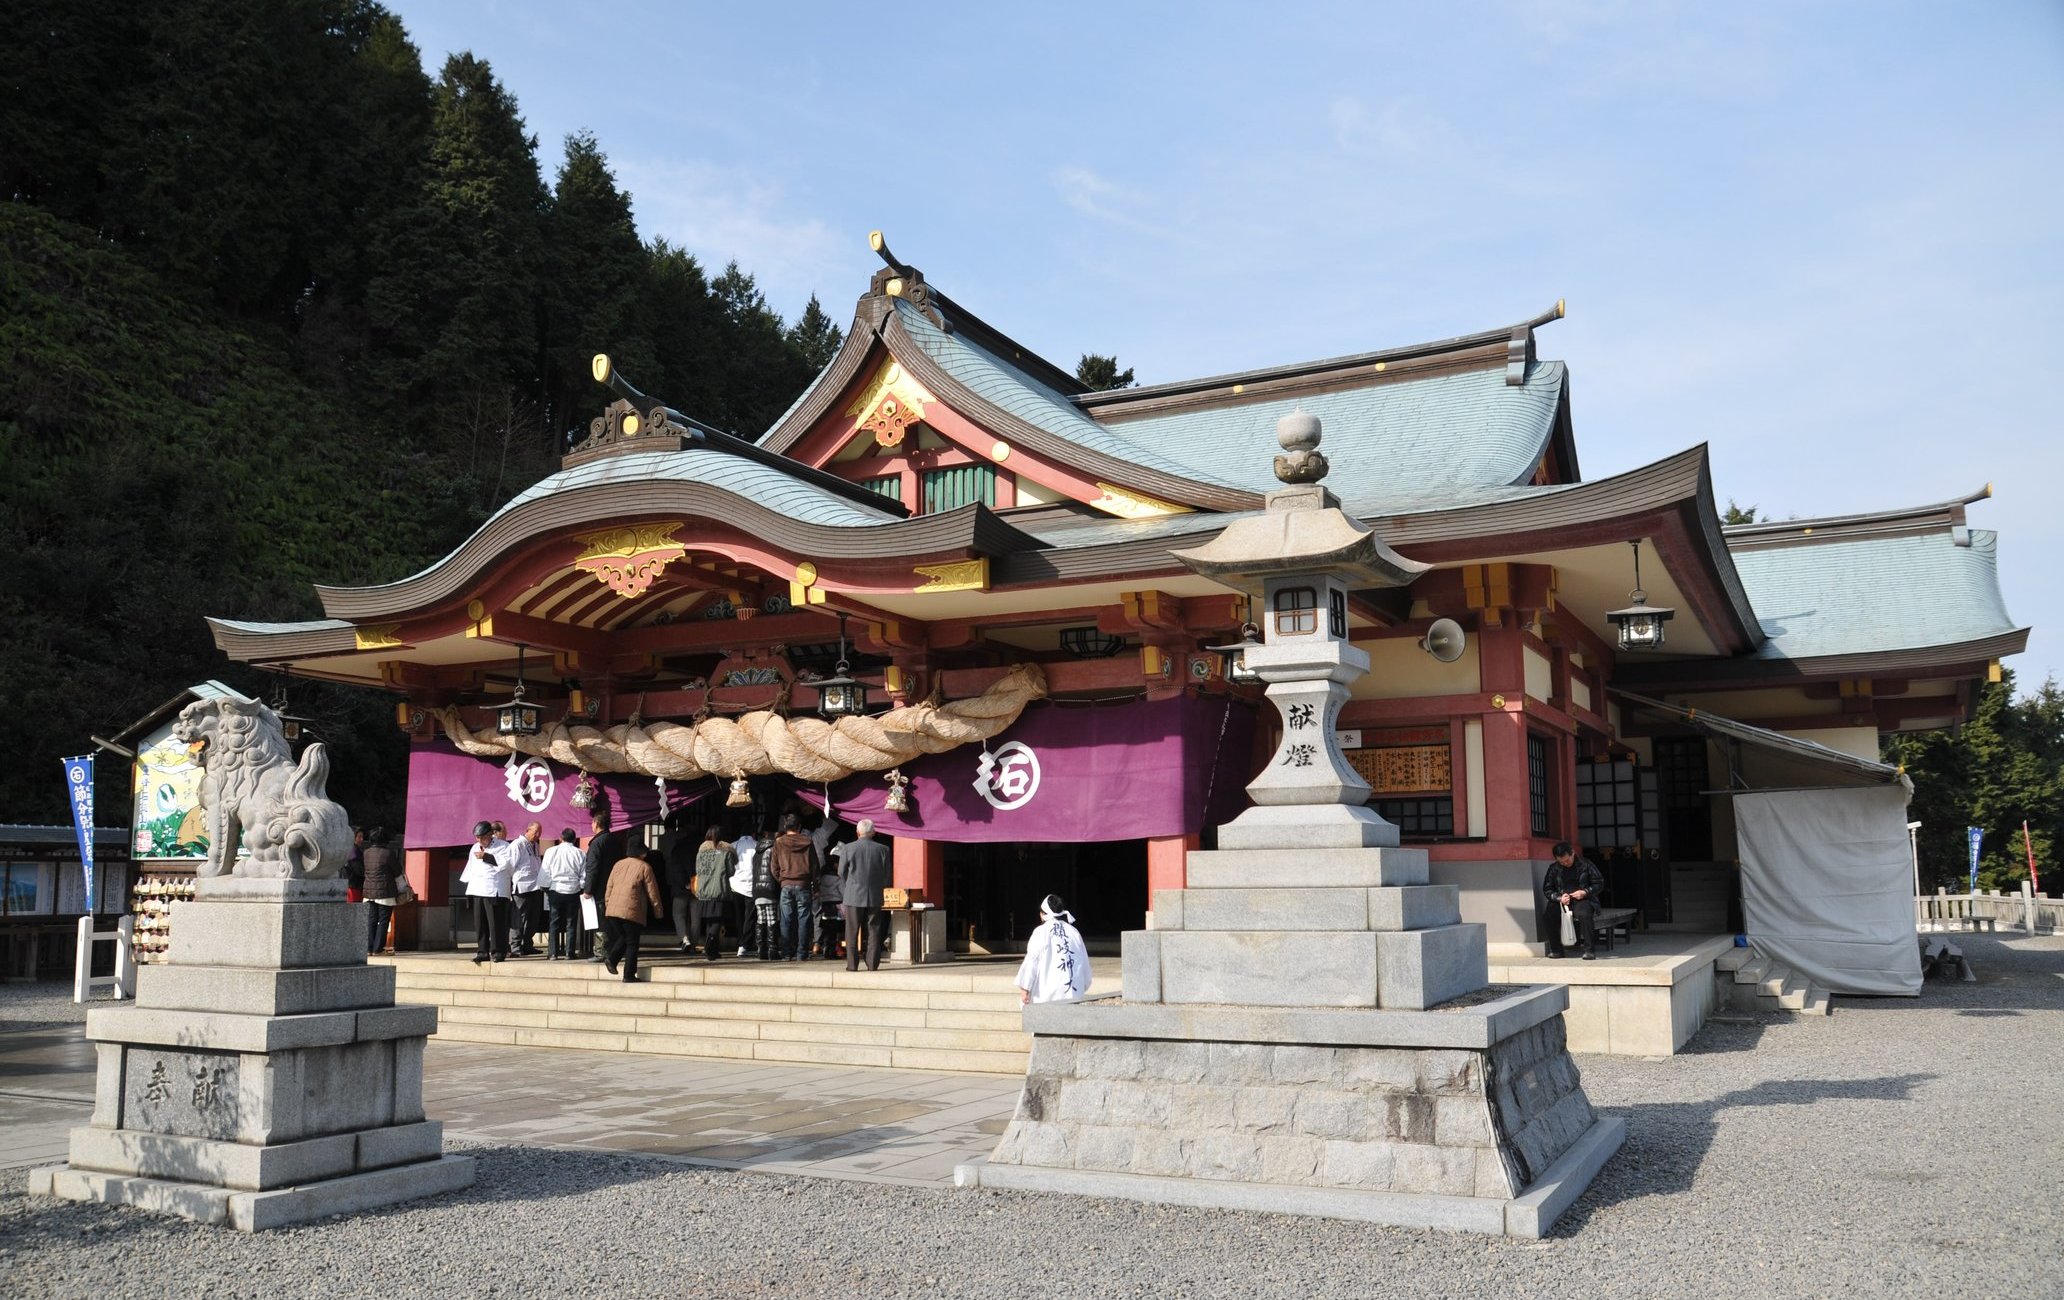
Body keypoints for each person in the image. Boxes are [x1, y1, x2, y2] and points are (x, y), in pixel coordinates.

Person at [768, 813, 835, 961]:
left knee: (786, 920)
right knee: (804, 919)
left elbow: (773, 866)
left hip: (785, 885)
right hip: (803, 885)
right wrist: (816, 887)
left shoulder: (778, 842)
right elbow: (815, 867)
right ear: (799, 827)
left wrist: (782, 879)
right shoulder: (807, 841)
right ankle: (802, 952)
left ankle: (786, 952)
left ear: (786, 827)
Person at [837, 820, 894, 972]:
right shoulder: (883, 849)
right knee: (874, 930)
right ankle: (872, 964)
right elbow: (887, 875)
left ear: (857, 832)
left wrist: (847, 888)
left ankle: (852, 964)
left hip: (853, 895)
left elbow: (841, 872)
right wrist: (880, 887)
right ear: (873, 832)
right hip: (874, 895)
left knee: (852, 932)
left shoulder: (848, 848)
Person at [602, 847, 664, 982]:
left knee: (625, 938)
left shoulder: (618, 864)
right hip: (632, 909)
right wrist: (658, 911)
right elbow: (652, 891)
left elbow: (609, 887)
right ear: (641, 853)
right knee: (632, 943)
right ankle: (628, 974)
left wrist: (608, 904)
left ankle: (612, 960)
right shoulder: (645, 867)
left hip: (613, 910)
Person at [1017, 894, 1091, 1004]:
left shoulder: (1041, 931)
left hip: (1047, 995)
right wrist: (1083, 984)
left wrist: (1025, 987)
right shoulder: (1073, 931)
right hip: (1074, 994)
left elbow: (1032, 960)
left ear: (1042, 914)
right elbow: (1084, 961)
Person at [1541, 841, 1607, 960]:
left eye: (1567, 860)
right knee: (1548, 916)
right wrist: (1559, 897)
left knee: (1584, 914)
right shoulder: (1554, 868)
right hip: (1563, 901)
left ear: (1573, 853)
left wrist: (1585, 892)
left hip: (1583, 899)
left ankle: (1589, 951)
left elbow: (1599, 883)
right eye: (1561, 862)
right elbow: (1547, 889)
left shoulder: (1586, 864)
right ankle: (1557, 950)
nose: (1565, 863)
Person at [461, 820, 512, 965]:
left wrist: (487, 857)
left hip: (494, 889)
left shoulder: (503, 846)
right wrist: (468, 890)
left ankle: (498, 951)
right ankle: (482, 951)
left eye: (482, 837)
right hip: (478, 888)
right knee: (480, 923)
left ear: (491, 834)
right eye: (477, 837)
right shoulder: (474, 848)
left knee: (496, 923)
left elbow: (506, 864)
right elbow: (470, 868)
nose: (479, 840)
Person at [580, 809, 625, 962]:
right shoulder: (615, 840)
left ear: (597, 824)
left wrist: (588, 889)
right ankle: (612, 948)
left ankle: (601, 951)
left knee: (600, 921)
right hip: (615, 886)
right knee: (612, 919)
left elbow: (593, 868)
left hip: (600, 888)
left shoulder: (597, 843)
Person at [538, 828, 587, 959]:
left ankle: (553, 953)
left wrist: (545, 887)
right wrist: (581, 886)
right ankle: (569, 953)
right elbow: (584, 875)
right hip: (573, 889)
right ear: (574, 839)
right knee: (571, 922)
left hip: (555, 888)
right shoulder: (580, 853)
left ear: (561, 838)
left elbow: (545, 872)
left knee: (554, 921)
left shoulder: (551, 851)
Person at [692, 827, 737, 960]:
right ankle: (710, 946)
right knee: (717, 920)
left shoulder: (701, 850)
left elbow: (698, 869)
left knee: (710, 921)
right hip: (719, 889)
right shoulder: (726, 851)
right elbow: (731, 871)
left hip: (704, 889)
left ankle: (713, 950)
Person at [504, 821, 545, 957]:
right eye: (536, 832)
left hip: (535, 885)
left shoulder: (535, 845)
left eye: (540, 832)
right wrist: (510, 884)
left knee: (533, 917)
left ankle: (528, 944)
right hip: (522, 885)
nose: (538, 835)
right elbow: (510, 865)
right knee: (519, 917)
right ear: (528, 830)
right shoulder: (518, 844)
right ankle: (515, 945)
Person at [360, 826, 399, 954]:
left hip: (369, 891)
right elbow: (397, 871)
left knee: (371, 919)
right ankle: (378, 948)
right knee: (383, 920)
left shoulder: (366, 853)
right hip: (385, 892)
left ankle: (369, 948)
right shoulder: (388, 853)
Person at [664, 832, 699, 953]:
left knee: (679, 915)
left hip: (680, 889)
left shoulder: (677, 850)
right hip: (696, 886)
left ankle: (685, 939)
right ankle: (693, 943)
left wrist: (683, 883)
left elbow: (675, 870)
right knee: (695, 917)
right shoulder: (698, 849)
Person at [728, 825, 759, 957]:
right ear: (753, 833)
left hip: (736, 884)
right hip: (751, 884)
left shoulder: (732, 845)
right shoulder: (757, 845)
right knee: (750, 916)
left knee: (739, 916)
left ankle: (741, 941)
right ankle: (745, 944)